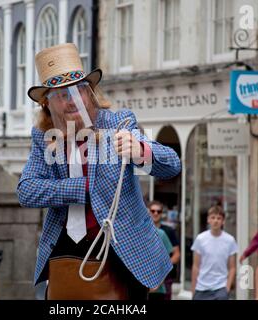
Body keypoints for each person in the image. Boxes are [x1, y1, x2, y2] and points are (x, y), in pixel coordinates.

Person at [16, 43, 181, 300]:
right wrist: (80, 188)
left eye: (78, 92)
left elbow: (171, 165)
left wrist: (139, 150)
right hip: (66, 250)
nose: (72, 101)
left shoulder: (118, 122)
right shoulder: (43, 136)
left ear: (89, 94)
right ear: (48, 105)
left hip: (122, 251)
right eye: (61, 95)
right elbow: (26, 191)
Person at [191, 206, 238, 300]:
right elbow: (196, 266)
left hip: (220, 288)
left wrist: (227, 288)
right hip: (202, 288)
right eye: (213, 218)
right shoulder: (201, 239)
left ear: (223, 221)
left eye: (219, 218)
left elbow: (232, 267)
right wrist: (193, 290)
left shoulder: (230, 240)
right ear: (208, 220)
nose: (216, 221)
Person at [147, 200, 180, 300]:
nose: (155, 213)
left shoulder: (166, 232)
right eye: (153, 211)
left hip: (164, 278)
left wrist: (163, 267)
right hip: (145, 276)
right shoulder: (140, 232)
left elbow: (176, 254)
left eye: (158, 211)